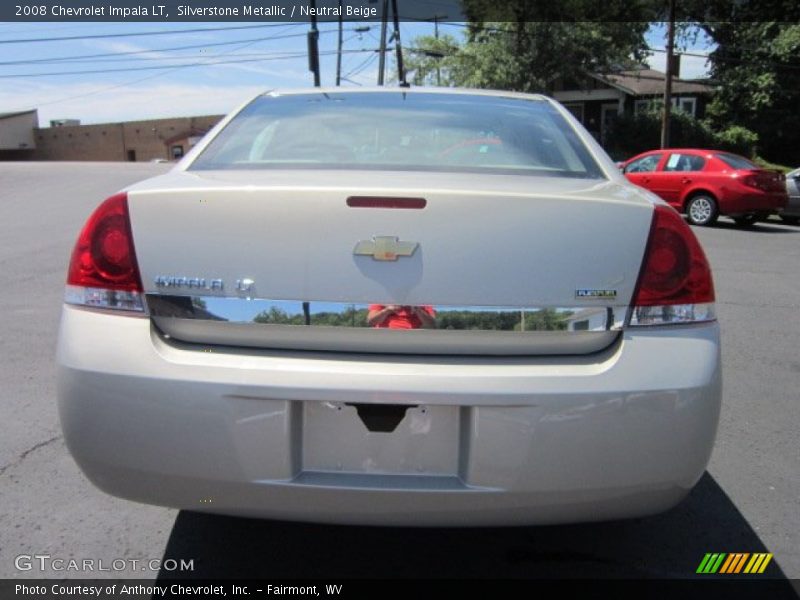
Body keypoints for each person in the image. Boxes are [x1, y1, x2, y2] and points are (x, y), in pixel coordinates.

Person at [367, 304, 436, 329]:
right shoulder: (382, 298)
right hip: (385, 337)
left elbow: (431, 325)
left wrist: (418, 310)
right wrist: (387, 310)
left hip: (414, 339)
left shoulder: (424, 302)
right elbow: (371, 321)